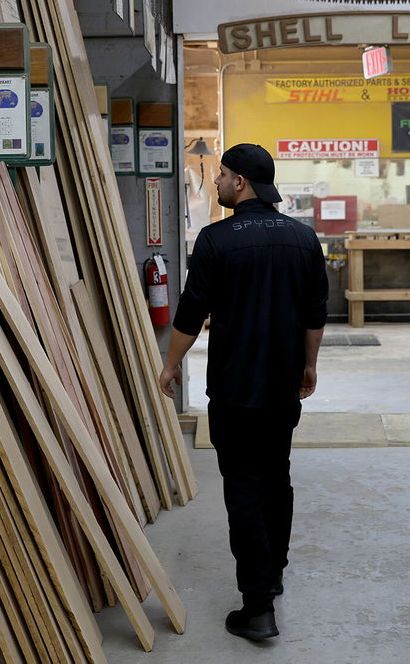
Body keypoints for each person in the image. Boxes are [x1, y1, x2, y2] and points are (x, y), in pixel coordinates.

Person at [158, 143, 329, 641]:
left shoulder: (215, 240)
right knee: (277, 477)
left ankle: (257, 607)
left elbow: (190, 313)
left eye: (222, 175)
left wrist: (170, 364)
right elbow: (315, 312)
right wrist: (310, 365)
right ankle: (272, 573)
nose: (215, 183)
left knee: (244, 487)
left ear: (240, 183)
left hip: (234, 389)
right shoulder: (303, 238)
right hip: (282, 387)